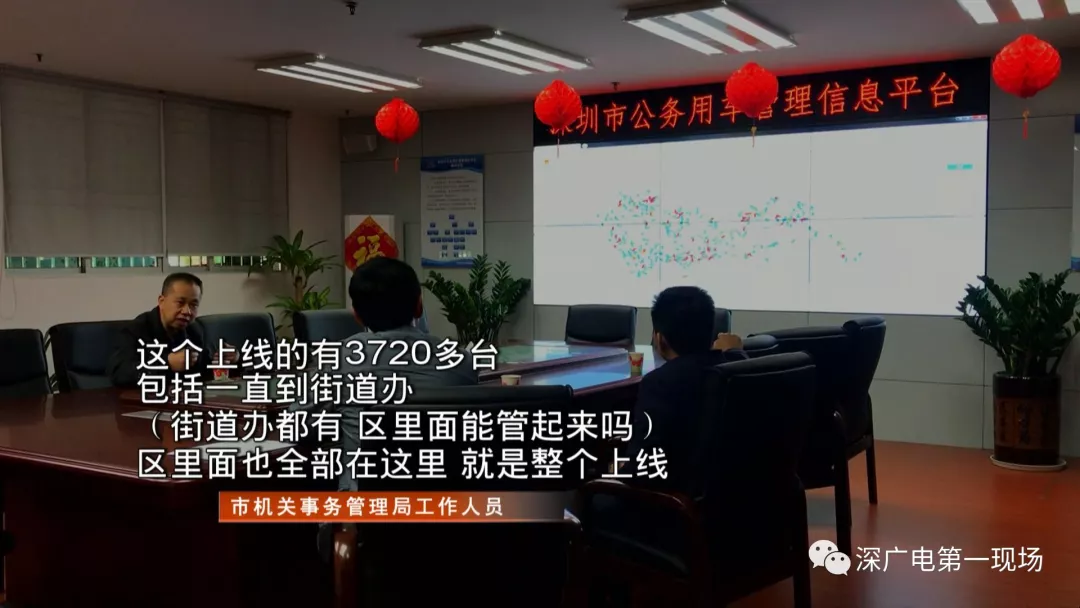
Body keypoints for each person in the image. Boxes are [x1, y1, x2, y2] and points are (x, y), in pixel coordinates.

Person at [624, 285, 748, 494]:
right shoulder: (737, 369)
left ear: (659, 339)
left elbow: (643, 470)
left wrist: (619, 468)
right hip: (731, 496)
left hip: (675, 502)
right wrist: (736, 350)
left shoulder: (660, 383)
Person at [107, 272, 233, 387]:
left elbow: (207, 369)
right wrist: (166, 363)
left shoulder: (194, 330)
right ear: (161, 301)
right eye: (180, 303)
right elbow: (119, 374)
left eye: (193, 305)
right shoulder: (135, 329)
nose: (187, 311)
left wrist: (232, 359)